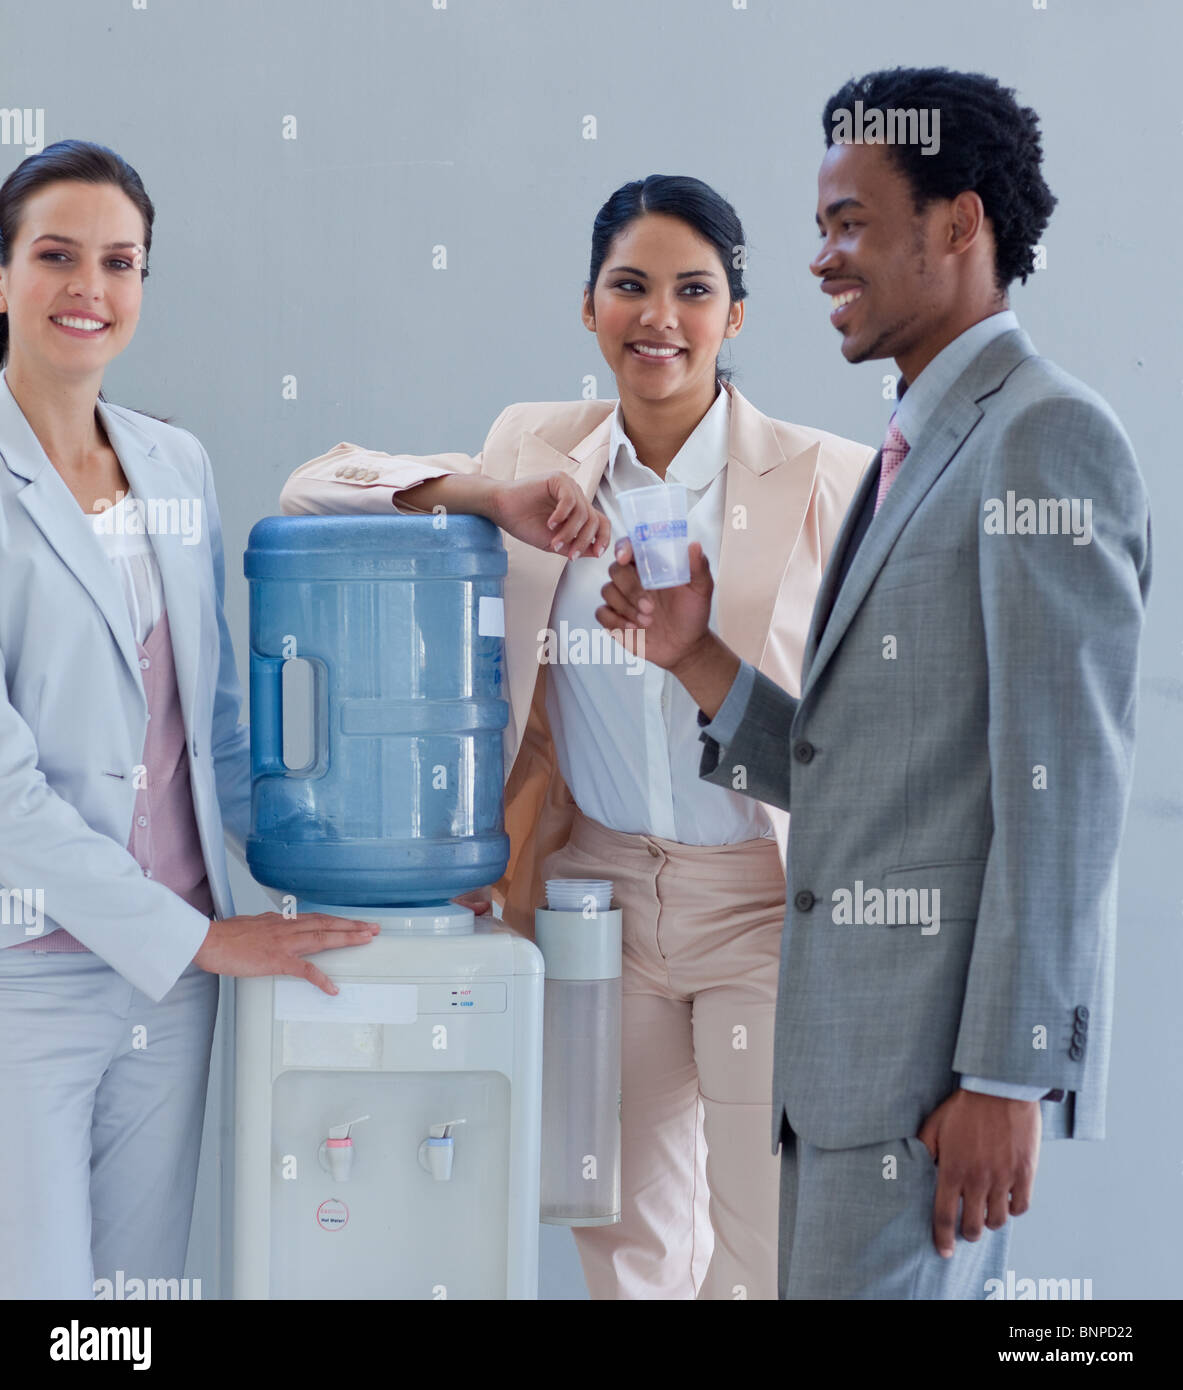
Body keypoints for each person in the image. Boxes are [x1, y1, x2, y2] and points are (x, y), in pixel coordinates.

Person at [598, 69, 1152, 1299]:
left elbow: (1060, 792)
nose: (820, 260)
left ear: (958, 225)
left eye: (849, 224)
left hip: (926, 1094)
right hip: (842, 1081)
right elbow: (870, 764)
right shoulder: (917, 444)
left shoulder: (1042, 437)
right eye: (819, 229)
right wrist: (696, 651)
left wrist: (1008, 1076)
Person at [281, 174, 873, 1299]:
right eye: (629, 286)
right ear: (590, 308)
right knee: (621, 1241)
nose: (659, 317)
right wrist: (486, 495)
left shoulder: (830, 478)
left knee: (767, 1253)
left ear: (736, 315)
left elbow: (860, 730)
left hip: (760, 900)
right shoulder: (531, 446)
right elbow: (315, 486)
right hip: (592, 893)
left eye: (693, 290)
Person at [0, 140, 378, 1301]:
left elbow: (214, 728)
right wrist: (202, 937)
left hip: (172, 986)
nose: (90, 288)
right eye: (56, 256)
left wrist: (369, 873)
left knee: (133, 1299)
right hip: (30, 975)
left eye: (121, 261)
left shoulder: (175, 463)